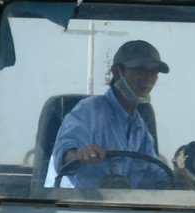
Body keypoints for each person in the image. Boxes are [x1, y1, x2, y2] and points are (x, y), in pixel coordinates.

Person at [48, 39, 171, 189]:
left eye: (154, 71)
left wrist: (183, 178)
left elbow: (154, 174)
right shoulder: (89, 111)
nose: (148, 77)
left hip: (124, 208)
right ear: (117, 72)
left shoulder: (140, 128)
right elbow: (64, 153)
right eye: (140, 69)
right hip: (77, 207)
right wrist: (79, 155)